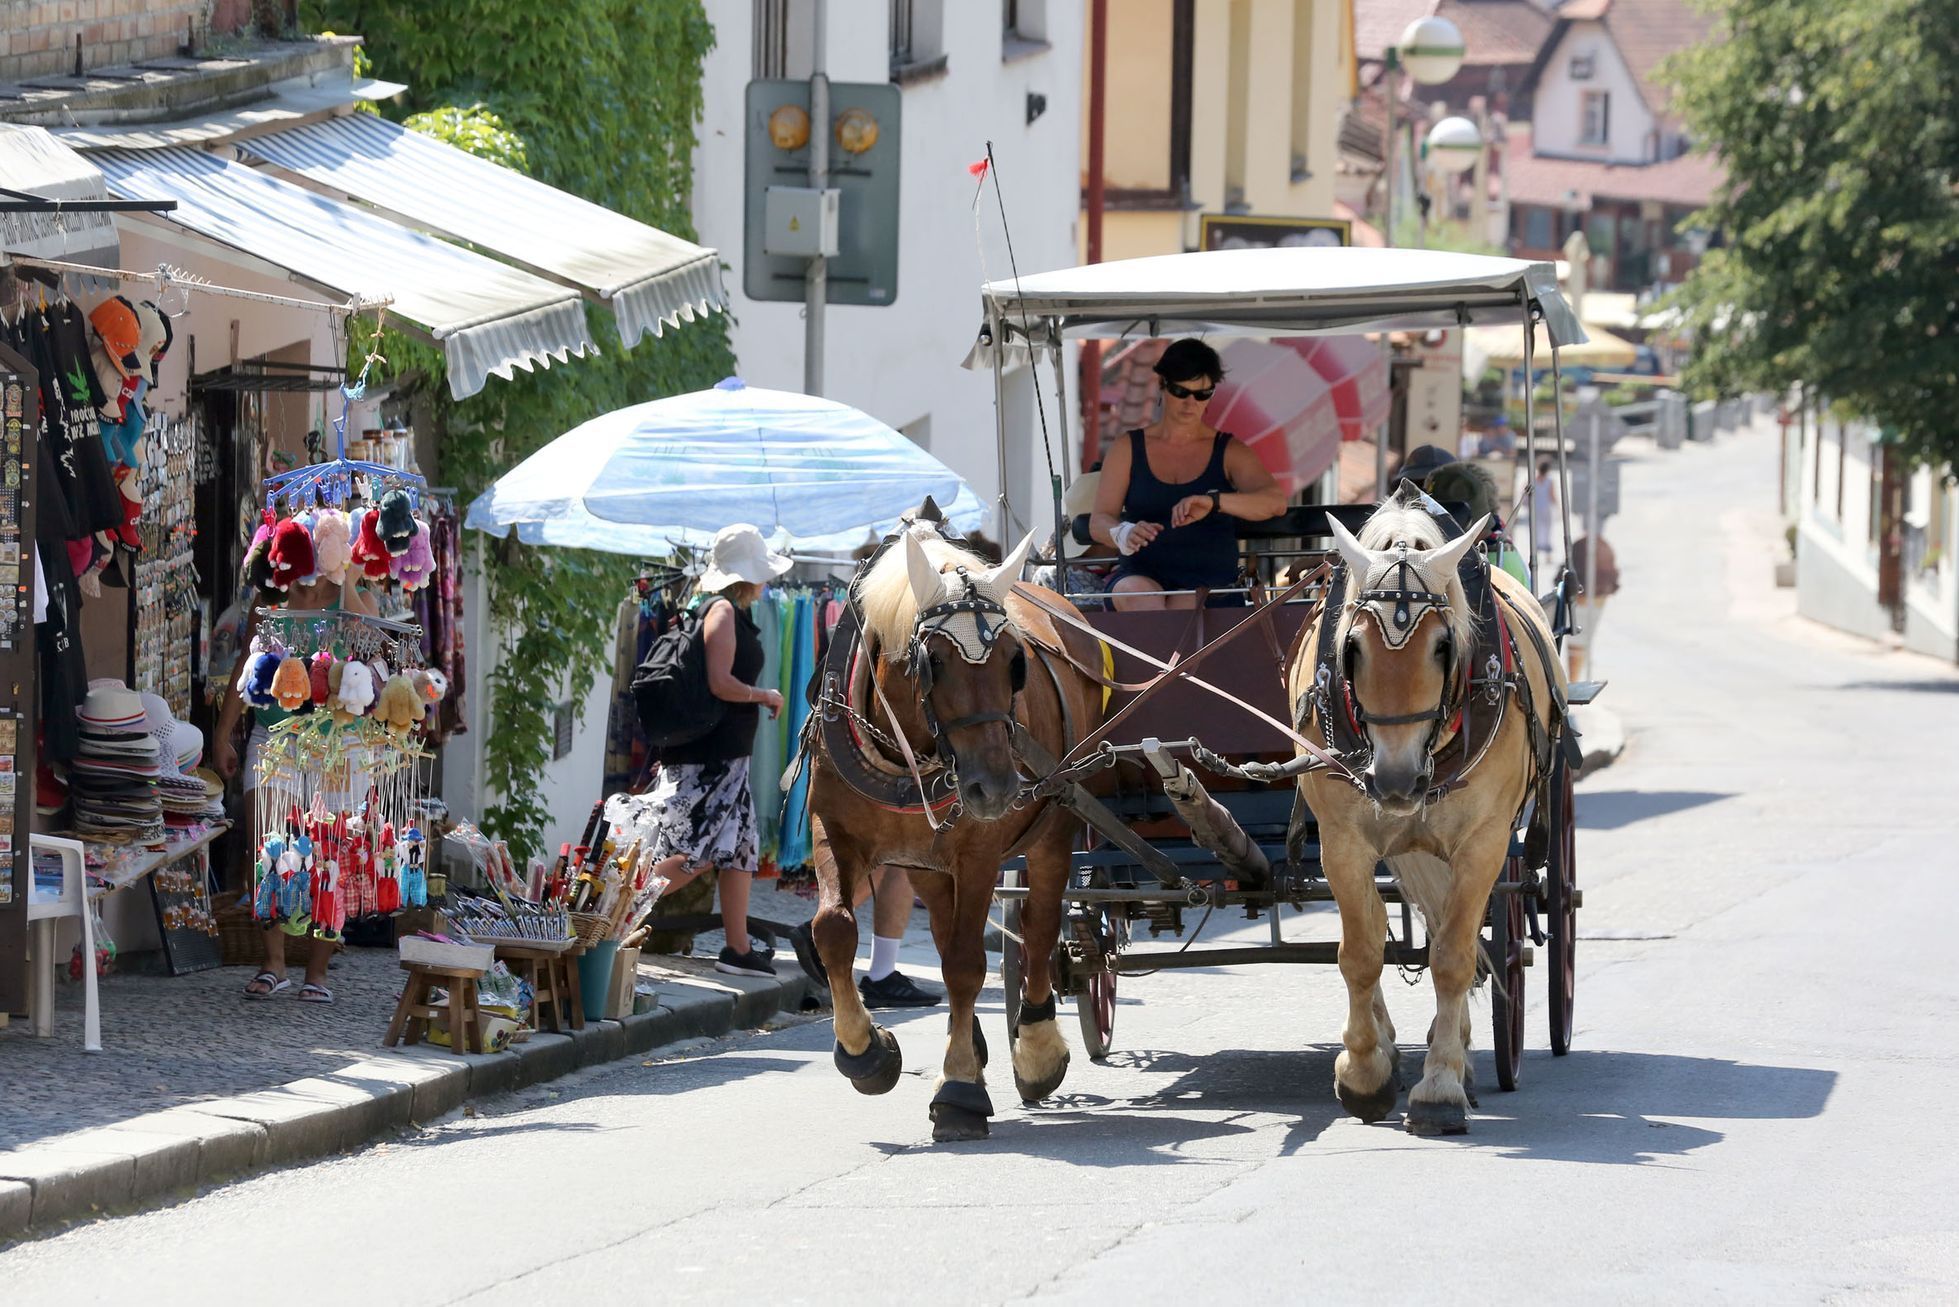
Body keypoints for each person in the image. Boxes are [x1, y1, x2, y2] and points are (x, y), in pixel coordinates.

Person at [215, 570, 377, 1002]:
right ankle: (274, 963)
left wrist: (345, 580)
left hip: (341, 742)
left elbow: (369, 643)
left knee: (331, 851)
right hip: (275, 734)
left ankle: (317, 972)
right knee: (266, 844)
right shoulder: (270, 599)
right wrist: (223, 732)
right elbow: (245, 665)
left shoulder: (359, 595)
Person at [644, 524, 789, 977]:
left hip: (728, 757)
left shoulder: (730, 612)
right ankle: (618, 911)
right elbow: (719, 683)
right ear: (747, 575)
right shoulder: (723, 612)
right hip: (710, 758)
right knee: (694, 851)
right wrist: (764, 695)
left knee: (741, 847)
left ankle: (737, 947)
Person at [1090, 338, 1287, 610]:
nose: (1190, 403)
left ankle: (1159, 653)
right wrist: (1122, 532)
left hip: (1210, 580)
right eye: (1181, 392)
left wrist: (1214, 502)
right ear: (1162, 385)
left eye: (1202, 394)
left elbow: (1275, 502)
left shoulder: (1229, 450)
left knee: (1189, 604)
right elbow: (1099, 520)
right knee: (1137, 594)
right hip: (1141, 574)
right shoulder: (1128, 448)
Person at [1565, 534, 1619, 681]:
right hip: (1599, 585)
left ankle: (1574, 680)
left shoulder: (1582, 548)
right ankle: (1574, 680)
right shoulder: (1601, 549)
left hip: (1594, 585)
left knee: (1578, 640)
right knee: (1579, 640)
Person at [1529, 456, 1558, 583]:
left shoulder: (1532, 479)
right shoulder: (1549, 481)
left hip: (1535, 509)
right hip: (1545, 510)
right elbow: (1552, 496)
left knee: (1536, 532)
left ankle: (1535, 553)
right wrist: (1558, 507)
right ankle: (1547, 555)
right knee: (1547, 532)